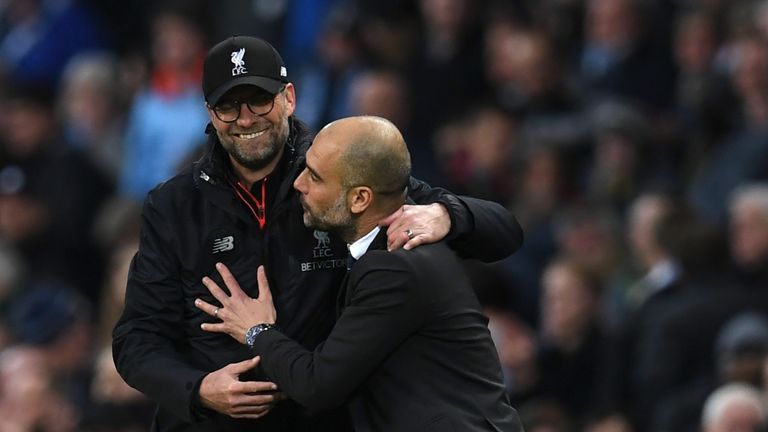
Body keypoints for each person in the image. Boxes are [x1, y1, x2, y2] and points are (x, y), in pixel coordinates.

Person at [112, 36, 524, 431]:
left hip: (321, 417)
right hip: (210, 423)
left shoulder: (338, 173)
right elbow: (137, 338)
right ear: (209, 112)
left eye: (259, 99)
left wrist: (448, 213)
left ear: (289, 97)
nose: (246, 118)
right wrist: (198, 390)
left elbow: (504, 234)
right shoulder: (173, 205)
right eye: (228, 106)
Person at [195, 116, 524, 431]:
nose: (299, 184)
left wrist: (256, 330)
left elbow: (318, 385)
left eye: (315, 177)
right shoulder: (391, 232)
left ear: (360, 199)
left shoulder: (392, 266)